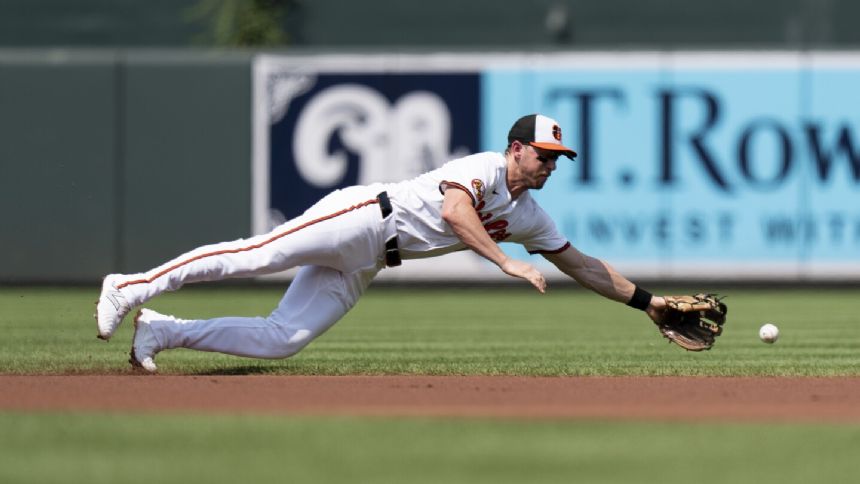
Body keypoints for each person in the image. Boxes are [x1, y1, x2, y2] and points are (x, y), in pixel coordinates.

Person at [95, 113, 668, 372]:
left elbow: (582, 264)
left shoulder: (530, 215)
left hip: (369, 261)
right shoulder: (486, 167)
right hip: (363, 217)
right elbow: (454, 210)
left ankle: (162, 331)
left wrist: (649, 304)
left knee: (282, 340)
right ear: (517, 148)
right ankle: (130, 285)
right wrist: (505, 263)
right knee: (258, 254)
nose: (550, 165)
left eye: (558, 159)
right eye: (544, 155)